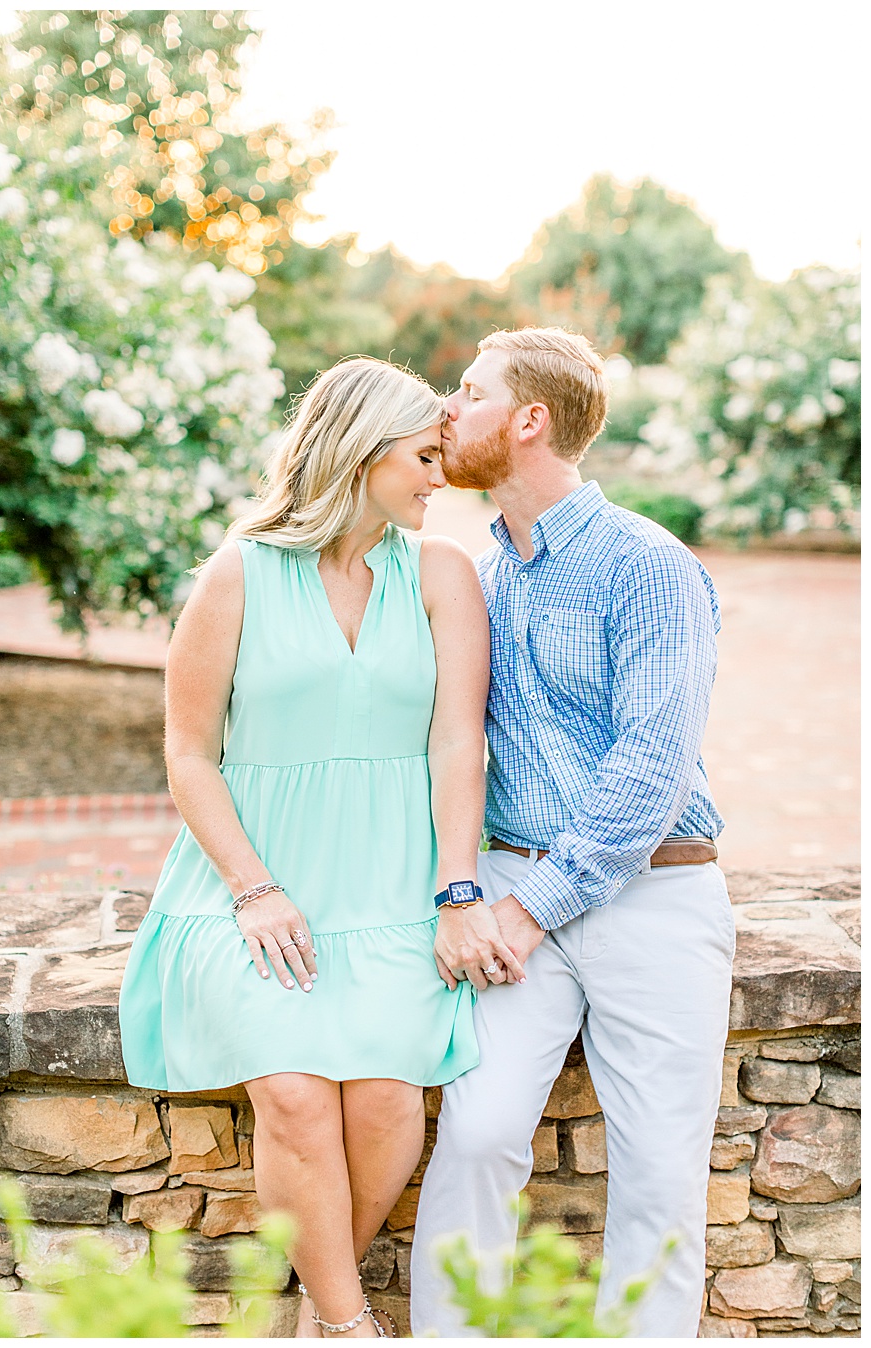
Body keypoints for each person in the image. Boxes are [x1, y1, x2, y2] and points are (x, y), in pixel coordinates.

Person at [119, 356, 518, 1338]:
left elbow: (457, 739)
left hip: (395, 881)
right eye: (425, 455)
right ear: (361, 449)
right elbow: (188, 751)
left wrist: (457, 887)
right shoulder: (239, 571)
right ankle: (348, 1327)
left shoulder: (441, 573)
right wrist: (255, 888)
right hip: (255, 881)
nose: (440, 476)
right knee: (294, 1093)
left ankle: (312, 1296)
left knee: (387, 1099)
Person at [409, 328, 731, 1338]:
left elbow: (651, 766)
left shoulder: (649, 566)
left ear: (529, 419)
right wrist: (471, 893)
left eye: (468, 392)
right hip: (509, 892)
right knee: (478, 1136)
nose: (446, 411)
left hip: (654, 894)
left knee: (659, 1176)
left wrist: (533, 908)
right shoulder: (476, 579)